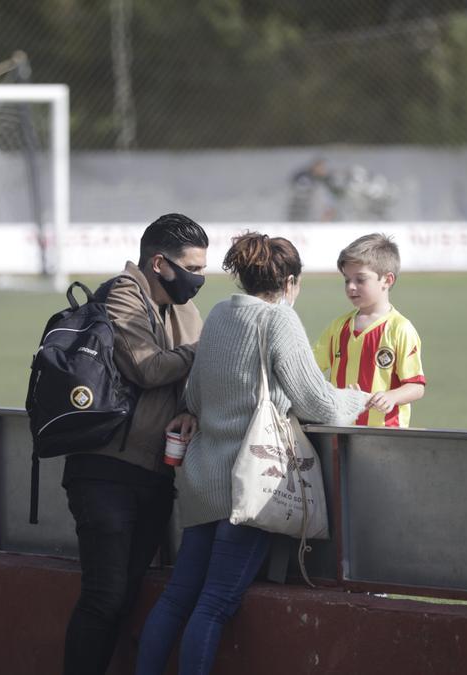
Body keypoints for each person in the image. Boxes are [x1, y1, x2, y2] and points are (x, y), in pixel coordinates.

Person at [135, 232, 369, 675]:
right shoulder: (279, 321)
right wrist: (358, 399)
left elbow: (197, 397)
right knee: (216, 604)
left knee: (178, 597)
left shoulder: (221, 314)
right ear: (290, 283)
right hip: (252, 485)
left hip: (205, 479)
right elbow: (317, 403)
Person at [61, 213, 209, 675]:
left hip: (156, 472)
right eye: (193, 268)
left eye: (204, 269)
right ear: (160, 263)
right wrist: (205, 351)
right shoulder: (122, 294)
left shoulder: (185, 309)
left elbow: (193, 378)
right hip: (104, 469)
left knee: (124, 597)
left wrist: (191, 404)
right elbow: (147, 367)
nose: (199, 279)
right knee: (104, 596)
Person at [314, 233, 426, 427]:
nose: (351, 287)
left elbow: (416, 386)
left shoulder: (400, 329)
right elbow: (309, 367)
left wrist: (391, 396)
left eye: (360, 279)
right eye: (347, 280)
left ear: (387, 280)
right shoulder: (338, 327)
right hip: (339, 431)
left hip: (385, 435)